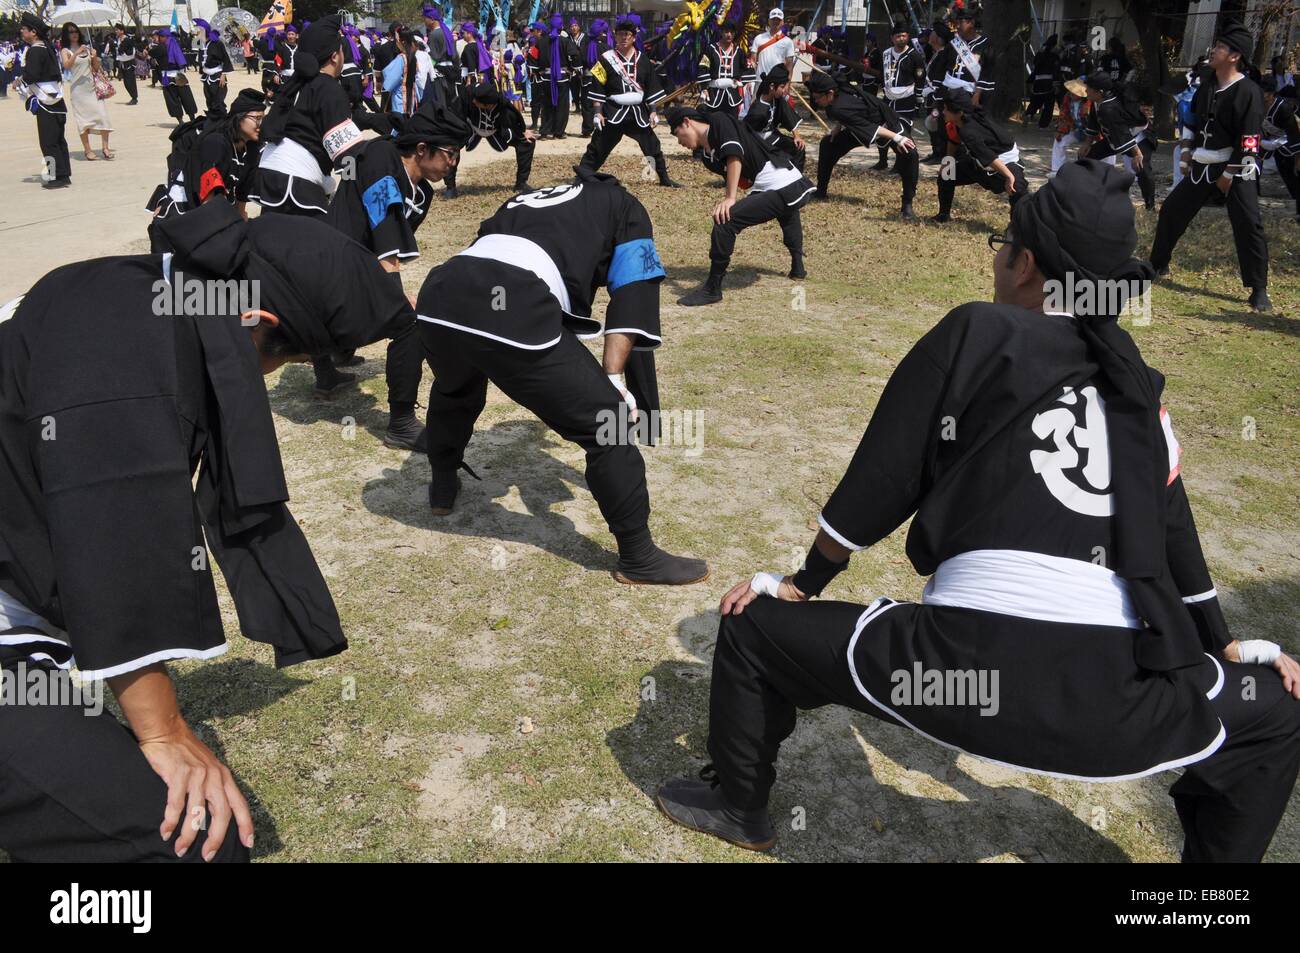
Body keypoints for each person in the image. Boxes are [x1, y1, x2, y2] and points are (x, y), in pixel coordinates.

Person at [654, 158, 1300, 862]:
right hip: (1124, 705)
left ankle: (738, 805)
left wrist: (802, 582)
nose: (996, 261)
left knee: (753, 629)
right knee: (1278, 714)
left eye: (1001, 246)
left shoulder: (975, 333)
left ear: (1026, 265)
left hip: (961, 675)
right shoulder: (1140, 392)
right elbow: (1179, 544)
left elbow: (876, 486)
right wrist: (1224, 646)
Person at [0, 199, 414, 863]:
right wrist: (162, 731)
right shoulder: (128, 355)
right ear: (258, 322)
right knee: (194, 848)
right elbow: (110, 545)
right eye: (288, 361)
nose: (271, 379)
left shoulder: (132, 291)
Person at [414, 169, 709, 586]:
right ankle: (639, 557)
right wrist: (615, 382)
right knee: (610, 426)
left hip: (440, 294)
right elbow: (633, 295)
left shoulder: (527, 199)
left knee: (455, 385)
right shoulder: (623, 206)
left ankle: (442, 486)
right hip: (511, 299)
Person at [325, 99, 468, 449]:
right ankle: (401, 423)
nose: (453, 163)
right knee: (410, 321)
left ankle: (334, 356)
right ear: (421, 149)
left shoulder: (422, 193)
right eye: (449, 154)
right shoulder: (380, 159)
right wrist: (397, 296)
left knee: (394, 302)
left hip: (354, 267)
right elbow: (386, 243)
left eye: (457, 155)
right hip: (332, 267)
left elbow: (386, 249)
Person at [251, 15, 368, 398]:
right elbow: (345, 151)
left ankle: (282, 353)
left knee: (279, 272)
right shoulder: (328, 86)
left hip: (271, 175)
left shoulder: (295, 83)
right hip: (297, 182)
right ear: (336, 55)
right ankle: (325, 366)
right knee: (312, 276)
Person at [1150, 21, 1270, 313]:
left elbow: (1251, 142)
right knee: (1172, 210)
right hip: (1203, 164)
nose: (1213, 50)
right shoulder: (1207, 85)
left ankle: (1258, 288)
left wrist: (1229, 175)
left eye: (1220, 47)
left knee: (1248, 223)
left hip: (1236, 168)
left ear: (1235, 56)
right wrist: (1188, 151)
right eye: (1215, 45)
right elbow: (1192, 121)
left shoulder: (1248, 92)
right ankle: (1157, 265)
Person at [667, 106, 814, 305]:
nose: (680, 142)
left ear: (687, 122)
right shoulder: (708, 157)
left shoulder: (719, 121)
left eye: (678, 134)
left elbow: (734, 155)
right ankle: (798, 268)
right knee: (786, 209)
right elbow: (743, 177)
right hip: (783, 183)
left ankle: (712, 289)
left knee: (725, 221)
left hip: (782, 182)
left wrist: (730, 198)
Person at [146, 88, 266, 249]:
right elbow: (208, 196)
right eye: (256, 118)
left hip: (214, 210)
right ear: (239, 118)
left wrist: (240, 217)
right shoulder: (216, 143)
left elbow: (242, 193)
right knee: (178, 272)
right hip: (187, 212)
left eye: (263, 119)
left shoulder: (251, 149)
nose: (260, 125)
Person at [805, 70, 920, 220]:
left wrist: (898, 138)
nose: (816, 101)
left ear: (830, 93)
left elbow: (871, 127)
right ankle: (821, 191)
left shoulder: (837, 104)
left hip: (886, 122)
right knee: (828, 144)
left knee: (910, 153)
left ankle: (907, 205)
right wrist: (838, 127)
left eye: (817, 97)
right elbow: (852, 118)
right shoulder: (835, 99)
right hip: (861, 127)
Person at [579, 20, 680, 188]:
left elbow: (651, 87)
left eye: (627, 34)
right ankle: (582, 177)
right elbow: (598, 86)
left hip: (637, 113)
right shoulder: (605, 59)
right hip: (613, 112)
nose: (623, 37)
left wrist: (653, 111)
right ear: (615, 36)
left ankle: (664, 178)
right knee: (597, 147)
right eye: (620, 34)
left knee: (652, 145)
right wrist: (597, 112)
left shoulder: (643, 60)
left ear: (633, 37)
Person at [932, 87, 1027, 223]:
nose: (943, 112)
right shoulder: (958, 122)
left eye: (946, 109)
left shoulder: (970, 131)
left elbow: (989, 157)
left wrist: (1009, 176)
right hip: (980, 163)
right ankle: (943, 215)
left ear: (959, 112)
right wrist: (947, 162)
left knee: (1017, 189)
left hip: (1004, 162)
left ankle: (1015, 229)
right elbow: (953, 140)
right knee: (946, 175)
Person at [1075, 72, 1156, 210]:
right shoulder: (1097, 101)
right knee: (1085, 157)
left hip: (1137, 138)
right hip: (1115, 138)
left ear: (1099, 92)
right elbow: (1094, 122)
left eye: (1088, 88)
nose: (1086, 90)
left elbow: (1123, 133)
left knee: (1143, 170)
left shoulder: (1109, 108)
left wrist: (1137, 154)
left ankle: (1150, 206)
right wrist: (1087, 143)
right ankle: (1083, 193)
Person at [442, 81, 537, 198]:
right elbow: (454, 115)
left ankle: (521, 184)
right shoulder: (468, 95)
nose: (474, 101)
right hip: (471, 127)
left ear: (489, 104)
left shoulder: (503, 105)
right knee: (449, 145)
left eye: (477, 102)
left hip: (495, 130)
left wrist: (523, 131)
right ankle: (450, 187)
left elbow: (516, 118)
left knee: (527, 142)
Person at [18, 13, 71, 189]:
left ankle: (57, 176)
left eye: (24, 29)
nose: (22, 31)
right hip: (56, 99)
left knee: (48, 142)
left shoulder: (36, 50)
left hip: (45, 101)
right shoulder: (47, 48)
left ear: (33, 32)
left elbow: (32, 75)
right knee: (58, 140)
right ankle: (64, 174)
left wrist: (20, 80)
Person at [59, 22, 114, 163]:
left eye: (76, 31)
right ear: (66, 34)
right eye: (71, 32)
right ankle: (88, 150)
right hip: (78, 91)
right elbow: (66, 66)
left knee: (103, 116)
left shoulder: (88, 49)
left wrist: (94, 57)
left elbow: (96, 68)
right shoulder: (65, 50)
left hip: (92, 88)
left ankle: (105, 148)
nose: (74, 33)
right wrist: (76, 53)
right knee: (83, 121)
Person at [876, 21, 926, 170]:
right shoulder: (885, 54)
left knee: (902, 130)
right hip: (888, 97)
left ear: (908, 37)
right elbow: (881, 74)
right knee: (882, 127)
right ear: (892, 38)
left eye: (904, 36)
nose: (901, 39)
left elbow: (920, 78)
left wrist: (918, 98)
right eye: (898, 36)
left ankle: (900, 164)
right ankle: (882, 160)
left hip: (906, 98)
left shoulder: (914, 56)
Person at [744, 63, 805, 172]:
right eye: (782, 87)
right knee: (782, 159)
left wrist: (797, 136)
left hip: (772, 136)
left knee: (798, 148)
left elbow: (787, 115)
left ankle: (798, 178)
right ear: (772, 86)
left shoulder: (777, 99)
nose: (784, 90)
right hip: (759, 144)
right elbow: (746, 134)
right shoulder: (758, 111)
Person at [940, 1, 995, 109]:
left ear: (971, 23)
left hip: (969, 95)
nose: (958, 26)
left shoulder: (985, 45)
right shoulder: (953, 43)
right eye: (957, 23)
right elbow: (942, 66)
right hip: (948, 91)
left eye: (961, 22)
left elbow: (988, 72)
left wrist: (977, 94)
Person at [535, 12, 580, 139]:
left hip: (546, 78)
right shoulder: (566, 42)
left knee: (547, 105)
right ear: (561, 27)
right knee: (562, 106)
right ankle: (558, 132)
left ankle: (544, 131)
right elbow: (575, 56)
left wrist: (539, 70)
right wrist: (572, 69)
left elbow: (532, 57)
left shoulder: (541, 42)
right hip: (562, 78)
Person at [1260, 77, 1300, 223]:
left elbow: (1293, 132)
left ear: (1271, 94)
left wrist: (1298, 157)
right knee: (1285, 174)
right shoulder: (1256, 106)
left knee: (1294, 175)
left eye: (1264, 92)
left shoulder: (1283, 107)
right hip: (1268, 143)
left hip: (1288, 144)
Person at [697, 21, 753, 115]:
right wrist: (704, 89)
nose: (729, 35)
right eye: (726, 32)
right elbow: (703, 67)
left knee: (731, 123)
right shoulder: (711, 49)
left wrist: (739, 83)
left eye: (732, 32)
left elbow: (747, 69)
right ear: (721, 32)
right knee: (714, 122)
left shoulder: (739, 51)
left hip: (732, 96)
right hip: (714, 94)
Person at [152, 27, 199, 124]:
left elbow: (152, 53)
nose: (158, 39)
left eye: (159, 37)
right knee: (186, 96)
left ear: (163, 37)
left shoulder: (161, 47)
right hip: (179, 74)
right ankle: (192, 118)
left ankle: (180, 121)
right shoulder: (176, 43)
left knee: (172, 99)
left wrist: (151, 47)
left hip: (168, 76)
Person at [195, 19, 233, 120]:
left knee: (219, 102)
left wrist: (223, 75)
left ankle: (224, 121)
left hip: (217, 76)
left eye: (198, 31)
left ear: (204, 31)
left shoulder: (217, 43)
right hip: (206, 76)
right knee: (209, 101)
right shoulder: (201, 44)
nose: (197, 33)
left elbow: (226, 59)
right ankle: (213, 122)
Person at [750, 7, 794, 82]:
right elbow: (753, 60)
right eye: (773, 19)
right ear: (769, 21)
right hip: (761, 81)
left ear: (782, 22)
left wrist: (787, 83)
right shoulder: (758, 38)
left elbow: (789, 65)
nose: (775, 21)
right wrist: (757, 74)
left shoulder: (788, 41)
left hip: (778, 83)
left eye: (778, 20)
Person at [1026, 34, 1060, 127]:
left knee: (1036, 101)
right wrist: (1056, 85)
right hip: (1049, 83)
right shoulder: (1054, 57)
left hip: (1037, 82)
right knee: (1048, 105)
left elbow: (1035, 68)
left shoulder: (1039, 55)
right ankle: (1043, 124)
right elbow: (1056, 71)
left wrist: (1030, 81)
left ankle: (1029, 114)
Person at [111, 23, 139, 104]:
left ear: (122, 31)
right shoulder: (119, 40)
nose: (116, 31)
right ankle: (133, 97)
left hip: (129, 63)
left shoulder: (127, 40)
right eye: (115, 30)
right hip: (123, 63)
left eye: (117, 30)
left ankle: (134, 98)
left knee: (130, 81)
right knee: (126, 82)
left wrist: (119, 47)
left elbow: (123, 50)